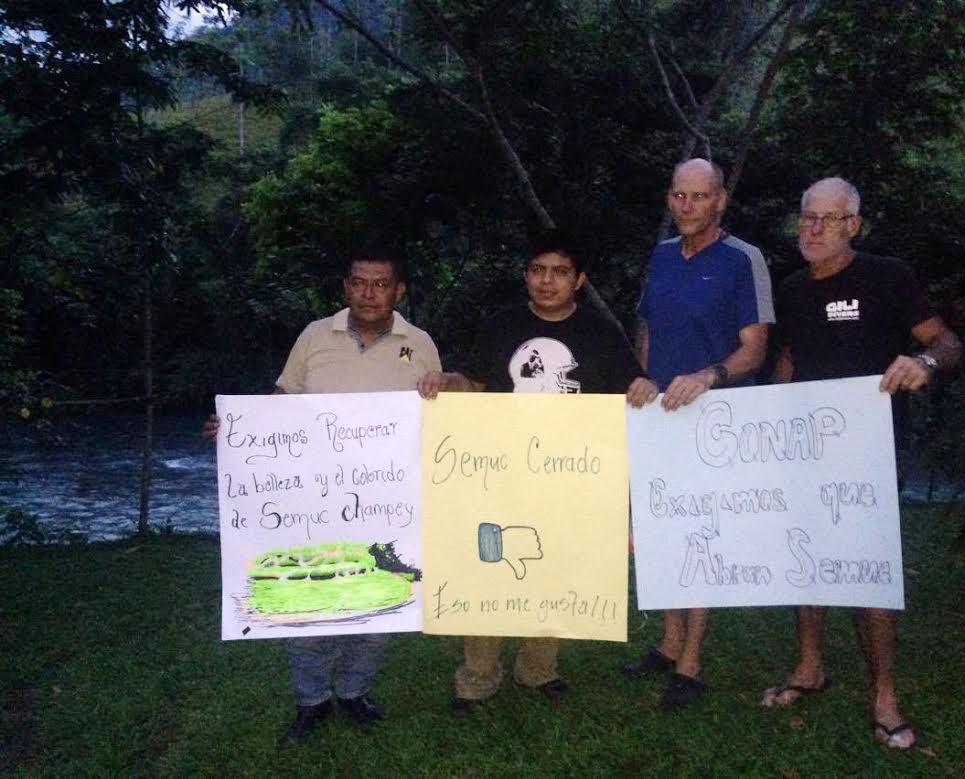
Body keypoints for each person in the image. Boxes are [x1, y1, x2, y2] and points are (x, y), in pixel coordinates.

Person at [207, 245, 441, 747]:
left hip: (388, 503)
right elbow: (283, 400)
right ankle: (310, 702)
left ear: (399, 291)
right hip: (311, 500)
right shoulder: (315, 336)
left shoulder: (419, 343)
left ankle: (355, 691)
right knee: (307, 604)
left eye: (381, 284)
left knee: (381, 603)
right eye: (359, 282)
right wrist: (239, 431)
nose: (369, 293)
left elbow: (437, 415)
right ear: (346, 286)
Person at [417, 229, 658, 714]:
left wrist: (644, 387)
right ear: (527, 274)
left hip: (568, 478)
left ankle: (538, 670)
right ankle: (477, 679)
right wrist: (446, 382)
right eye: (538, 270)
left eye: (560, 272)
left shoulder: (600, 333)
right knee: (488, 567)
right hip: (496, 473)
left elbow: (632, 383)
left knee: (552, 567)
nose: (548, 281)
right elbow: (475, 382)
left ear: (579, 279)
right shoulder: (500, 324)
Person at [761, 177, 962, 750]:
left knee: (868, 569)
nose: (814, 228)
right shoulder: (793, 289)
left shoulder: (887, 277)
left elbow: (947, 342)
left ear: (854, 225)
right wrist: (777, 421)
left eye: (829, 218)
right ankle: (808, 667)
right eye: (807, 218)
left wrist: (922, 360)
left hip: (870, 453)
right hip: (807, 450)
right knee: (808, 554)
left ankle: (885, 697)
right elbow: (791, 360)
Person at [622, 158, 775, 710]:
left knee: (703, 534)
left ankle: (691, 661)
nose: (687, 206)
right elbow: (648, 330)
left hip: (715, 416)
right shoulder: (662, 257)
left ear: (720, 201)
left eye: (699, 196)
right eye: (678, 196)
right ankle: (667, 642)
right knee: (660, 528)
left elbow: (754, 347)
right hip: (659, 416)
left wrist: (709, 375)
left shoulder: (743, 260)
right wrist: (642, 378)